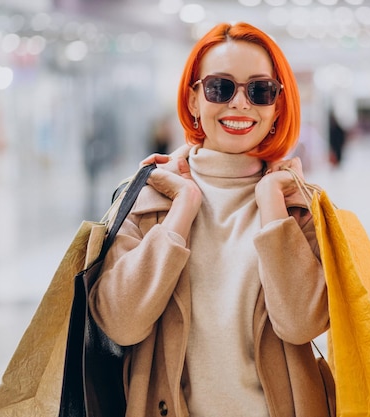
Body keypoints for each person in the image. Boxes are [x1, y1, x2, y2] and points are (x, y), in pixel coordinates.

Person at [89, 22, 329, 417]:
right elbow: (121, 323)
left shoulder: (299, 207)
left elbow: (301, 323)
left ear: (277, 107)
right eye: (221, 87)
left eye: (260, 90)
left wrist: (271, 202)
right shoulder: (145, 200)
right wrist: (182, 210)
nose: (240, 103)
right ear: (195, 99)